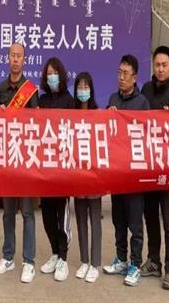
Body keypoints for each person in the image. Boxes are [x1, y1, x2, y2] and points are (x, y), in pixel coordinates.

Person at [0, 43, 39, 283]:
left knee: (28, 213)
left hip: (26, 158)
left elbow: (37, 122)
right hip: (7, 158)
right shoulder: (0, 88)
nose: (15, 59)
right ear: (8, 59)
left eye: (19, 55)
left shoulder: (30, 90)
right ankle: (8, 256)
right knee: (8, 212)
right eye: (12, 55)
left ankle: (29, 261)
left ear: (24, 60)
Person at [141, 46, 169, 290]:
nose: (160, 69)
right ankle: (154, 261)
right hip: (148, 166)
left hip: (168, 169)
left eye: (164, 65)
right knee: (150, 216)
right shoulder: (146, 90)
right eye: (157, 65)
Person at [103, 54, 150, 286]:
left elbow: (147, 134)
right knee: (118, 220)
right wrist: (108, 115)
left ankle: (135, 264)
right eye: (119, 73)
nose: (121, 77)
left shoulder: (142, 103)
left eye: (125, 74)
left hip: (134, 173)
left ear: (135, 77)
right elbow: (104, 131)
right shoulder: (113, 98)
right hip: (116, 171)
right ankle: (121, 258)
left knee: (135, 223)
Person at [37, 57, 74, 282]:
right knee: (47, 215)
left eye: (55, 73)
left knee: (62, 216)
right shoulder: (41, 100)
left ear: (61, 75)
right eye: (49, 73)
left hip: (62, 169)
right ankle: (54, 252)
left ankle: (63, 257)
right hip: (45, 168)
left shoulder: (69, 101)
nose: (52, 77)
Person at [72, 72, 102, 283]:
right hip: (77, 175)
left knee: (95, 219)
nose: (83, 90)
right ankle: (84, 260)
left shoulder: (98, 114)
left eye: (86, 86)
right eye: (79, 87)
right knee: (81, 218)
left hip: (94, 175)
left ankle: (95, 263)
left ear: (91, 89)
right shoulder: (70, 115)